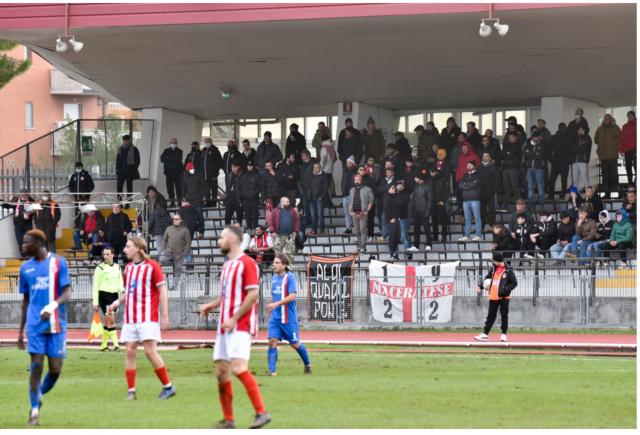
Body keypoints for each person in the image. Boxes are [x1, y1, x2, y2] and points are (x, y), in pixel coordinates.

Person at [198, 226, 271, 429]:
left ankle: (261, 413)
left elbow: (253, 294)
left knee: (238, 368)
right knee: (222, 372)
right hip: (225, 325)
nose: (219, 241)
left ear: (232, 239)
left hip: (240, 324)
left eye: (222, 237)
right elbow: (226, 295)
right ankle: (229, 420)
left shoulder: (247, 263)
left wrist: (234, 318)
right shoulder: (228, 265)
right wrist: (211, 305)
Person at [107, 237, 175, 401]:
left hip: (147, 317)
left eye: (128, 246)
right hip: (131, 318)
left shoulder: (152, 266)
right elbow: (128, 292)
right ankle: (131, 391)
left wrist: (165, 315)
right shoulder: (128, 268)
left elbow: (163, 291)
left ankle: (168, 387)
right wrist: (115, 303)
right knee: (130, 351)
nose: (124, 249)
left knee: (150, 351)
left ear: (137, 248)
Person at [17, 229, 71, 426]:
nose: (23, 246)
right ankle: (34, 412)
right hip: (35, 325)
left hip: (56, 324)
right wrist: (20, 331)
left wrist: (53, 305)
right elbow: (25, 301)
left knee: (55, 369)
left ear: (39, 243)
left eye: (26, 242)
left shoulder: (59, 263)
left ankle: (38, 395)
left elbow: (67, 292)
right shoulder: (25, 268)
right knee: (37, 366)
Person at [266, 254, 311, 376]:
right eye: (274, 262)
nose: (274, 265)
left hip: (288, 318)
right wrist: (271, 307)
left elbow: (292, 296)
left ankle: (307, 364)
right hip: (275, 318)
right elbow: (274, 295)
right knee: (272, 341)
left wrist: (276, 304)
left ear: (284, 265)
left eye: (277, 263)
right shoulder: (274, 277)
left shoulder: (290, 277)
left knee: (295, 344)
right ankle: (272, 371)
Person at [474, 252, 517, 343]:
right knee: (491, 316)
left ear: (498, 261)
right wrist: (480, 286)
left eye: (494, 260)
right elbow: (487, 279)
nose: (493, 262)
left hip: (504, 296)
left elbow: (514, 283)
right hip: (493, 296)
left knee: (504, 315)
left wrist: (506, 289)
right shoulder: (493, 269)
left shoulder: (508, 270)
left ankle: (503, 334)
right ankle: (485, 334)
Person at [92, 246, 123, 351]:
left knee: (107, 321)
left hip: (114, 296)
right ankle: (116, 345)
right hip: (104, 295)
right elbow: (95, 286)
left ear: (112, 255)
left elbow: (120, 282)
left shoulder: (117, 267)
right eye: (104, 254)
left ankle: (104, 345)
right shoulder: (100, 268)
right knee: (111, 320)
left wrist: (122, 292)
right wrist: (95, 301)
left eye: (107, 254)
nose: (105, 256)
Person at [160, 213, 191, 291]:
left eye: (176, 219)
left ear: (180, 220)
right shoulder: (168, 229)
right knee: (162, 260)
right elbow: (164, 240)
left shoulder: (185, 230)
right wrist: (163, 250)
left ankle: (174, 285)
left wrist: (184, 253)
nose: (175, 221)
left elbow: (188, 242)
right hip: (168, 252)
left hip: (179, 254)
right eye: (174, 219)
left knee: (178, 269)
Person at [1, 188, 36, 257]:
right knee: (20, 241)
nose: (23, 195)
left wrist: (31, 212)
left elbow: (36, 211)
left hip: (27, 224)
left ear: (27, 195)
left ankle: (29, 255)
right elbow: (8, 205)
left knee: (28, 240)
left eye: (25, 194)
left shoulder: (31, 201)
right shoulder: (16, 200)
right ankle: (23, 255)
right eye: (22, 194)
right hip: (18, 225)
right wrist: (1, 202)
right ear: (19, 194)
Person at [594, 114, 621, 196]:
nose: (606, 120)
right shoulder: (600, 128)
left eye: (608, 118)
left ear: (611, 119)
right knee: (604, 171)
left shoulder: (615, 128)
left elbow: (620, 138)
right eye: (605, 118)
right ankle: (605, 186)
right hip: (603, 154)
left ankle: (616, 185)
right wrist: (600, 144)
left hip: (612, 153)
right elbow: (595, 139)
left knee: (614, 170)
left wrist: (613, 144)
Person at [267, 197, 300, 264]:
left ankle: (290, 266)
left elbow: (297, 221)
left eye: (288, 202)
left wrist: (295, 231)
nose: (289, 203)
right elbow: (270, 222)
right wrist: (272, 232)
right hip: (278, 235)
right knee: (278, 252)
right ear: (282, 202)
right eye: (287, 202)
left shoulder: (292, 210)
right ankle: (277, 266)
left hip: (290, 235)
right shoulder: (275, 211)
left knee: (290, 252)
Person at [349, 173, 374, 253]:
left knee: (363, 230)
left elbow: (371, 200)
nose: (357, 181)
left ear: (361, 180)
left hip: (363, 213)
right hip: (354, 213)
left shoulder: (367, 189)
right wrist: (350, 211)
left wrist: (367, 210)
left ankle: (363, 247)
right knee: (357, 231)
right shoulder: (351, 190)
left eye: (358, 180)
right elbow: (350, 202)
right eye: (356, 180)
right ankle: (359, 246)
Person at [408, 171, 432, 252]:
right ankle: (416, 245)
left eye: (416, 177)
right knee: (416, 228)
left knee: (426, 228)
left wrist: (428, 212)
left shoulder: (427, 187)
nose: (414, 179)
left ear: (420, 178)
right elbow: (413, 199)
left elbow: (429, 200)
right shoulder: (415, 187)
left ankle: (429, 245)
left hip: (424, 210)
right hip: (416, 210)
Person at [458, 161, 482, 242]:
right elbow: (460, 185)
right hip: (465, 200)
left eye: (470, 165)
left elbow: (474, 184)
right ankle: (467, 236)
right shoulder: (464, 175)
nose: (468, 166)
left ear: (474, 166)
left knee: (477, 218)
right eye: (467, 165)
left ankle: (478, 235)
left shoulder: (478, 175)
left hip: (475, 199)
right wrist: (469, 185)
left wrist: (466, 185)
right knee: (467, 219)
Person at [430, 149, 450, 242]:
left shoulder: (446, 165)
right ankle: (435, 236)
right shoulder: (434, 164)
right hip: (433, 198)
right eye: (438, 154)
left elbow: (446, 187)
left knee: (443, 220)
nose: (439, 155)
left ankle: (444, 236)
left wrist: (443, 199)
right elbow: (431, 173)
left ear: (445, 155)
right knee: (434, 219)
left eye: (441, 154)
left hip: (441, 198)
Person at [68, 161, 95, 229]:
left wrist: (85, 193)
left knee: (85, 212)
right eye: (77, 167)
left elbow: (91, 186)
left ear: (82, 167)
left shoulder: (86, 175)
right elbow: (70, 186)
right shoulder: (73, 176)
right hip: (77, 198)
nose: (78, 168)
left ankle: (86, 226)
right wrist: (74, 193)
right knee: (77, 212)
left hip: (84, 198)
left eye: (79, 167)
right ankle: (77, 226)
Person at [115, 135, 141, 206]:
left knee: (129, 188)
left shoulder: (134, 149)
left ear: (130, 140)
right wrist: (117, 170)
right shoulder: (120, 149)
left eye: (127, 140)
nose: (125, 142)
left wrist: (132, 169)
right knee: (119, 187)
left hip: (130, 172)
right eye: (124, 140)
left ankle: (128, 203)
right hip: (121, 171)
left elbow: (138, 161)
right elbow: (117, 160)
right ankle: (120, 203)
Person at [549, 123, 573, 198]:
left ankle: (555, 195)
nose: (563, 129)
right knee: (556, 180)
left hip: (561, 162)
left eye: (563, 127)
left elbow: (570, 151)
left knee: (560, 180)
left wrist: (568, 161)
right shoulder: (555, 138)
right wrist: (551, 160)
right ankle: (554, 195)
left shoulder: (566, 137)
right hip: (558, 162)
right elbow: (549, 150)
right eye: (562, 127)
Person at [237, 160, 262, 232]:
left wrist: (254, 192)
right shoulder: (243, 176)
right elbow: (239, 187)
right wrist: (240, 197)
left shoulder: (257, 176)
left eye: (251, 166)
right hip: (245, 199)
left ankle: (255, 228)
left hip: (254, 198)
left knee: (255, 214)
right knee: (247, 215)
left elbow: (260, 186)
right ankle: (249, 228)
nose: (249, 167)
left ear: (253, 166)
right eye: (248, 166)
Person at [523, 131, 546, 209]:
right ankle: (530, 206)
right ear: (532, 137)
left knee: (540, 188)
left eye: (538, 137)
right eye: (535, 137)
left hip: (539, 169)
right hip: (529, 169)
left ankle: (542, 206)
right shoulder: (527, 145)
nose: (537, 138)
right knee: (530, 188)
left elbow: (541, 155)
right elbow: (525, 154)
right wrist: (535, 153)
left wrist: (532, 154)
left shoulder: (542, 145)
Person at [160, 138, 184, 208]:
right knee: (170, 189)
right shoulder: (166, 150)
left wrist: (168, 158)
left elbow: (177, 159)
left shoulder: (180, 151)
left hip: (177, 173)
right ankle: (172, 203)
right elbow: (162, 159)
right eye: (172, 142)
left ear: (177, 143)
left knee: (178, 189)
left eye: (174, 142)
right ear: (170, 143)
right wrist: (169, 158)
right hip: (168, 173)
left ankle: (179, 203)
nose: (173, 144)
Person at [147, 190, 172, 258]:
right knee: (165, 247)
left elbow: (150, 223)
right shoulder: (166, 212)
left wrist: (149, 232)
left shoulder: (154, 213)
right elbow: (170, 222)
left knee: (159, 248)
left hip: (157, 233)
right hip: (166, 232)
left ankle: (161, 261)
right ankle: (166, 259)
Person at [501, 131, 523, 207]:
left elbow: (516, 157)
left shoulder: (518, 146)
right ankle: (505, 205)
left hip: (514, 169)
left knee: (515, 187)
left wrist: (508, 156)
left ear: (515, 137)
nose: (510, 138)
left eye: (511, 137)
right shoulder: (506, 145)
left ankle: (520, 205)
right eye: (509, 137)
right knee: (506, 188)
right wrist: (509, 155)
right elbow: (502, 155)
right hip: (505, 168)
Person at [308, 162, 329, 236]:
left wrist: (321, 197)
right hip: (311, 199)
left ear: (320, 168)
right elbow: (309, 187)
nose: (315, 169)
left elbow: (326, 188)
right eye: (314, 167)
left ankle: (322, 231)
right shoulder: (311, 176)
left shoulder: (323, 176)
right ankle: (314, 230)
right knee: (313, 215)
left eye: (316, 167)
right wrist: (309, 196)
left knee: (320, 215)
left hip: (319, 199)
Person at [479, 152, 498, 229]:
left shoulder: (493, 167)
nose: (484, 157)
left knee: (492, 210)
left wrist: (494, 190)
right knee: (482, 210)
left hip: (490, 193)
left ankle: (492, 225)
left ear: (490, 158)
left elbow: (496, 180)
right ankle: (482, 226)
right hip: (481, 192)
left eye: (486, 156)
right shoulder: (479, 167)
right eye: (483, 156)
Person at [384, 184, 403, 260]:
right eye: (392, 188)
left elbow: (400, 205)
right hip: (391, 220)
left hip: (397, 219)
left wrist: (398, 217)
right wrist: (390, 218)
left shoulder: (396, 196)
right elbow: (386, 209)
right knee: (392, 237)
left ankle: (395, 252)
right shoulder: (387, 197)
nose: (394, 189)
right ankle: (392, 253)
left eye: (394, 188)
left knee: (398, 236)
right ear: (388, 189)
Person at [202, 137, 223, 206]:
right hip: (205, 175)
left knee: (214, 190)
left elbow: (219, 162)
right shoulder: (204, 150)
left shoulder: (215, 150)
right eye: (206, 142)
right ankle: (207, 203)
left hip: (213, 175)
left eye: (208, 142)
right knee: (206, 190)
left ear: (211, 142)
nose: (207, 143)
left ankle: (214, 203)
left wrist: (214, 172)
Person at [571, 126, 592, 192]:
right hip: (574, 161)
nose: (579, 131)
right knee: (575, 180)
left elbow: (585, 148)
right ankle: (576, 196)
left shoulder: (587, 138)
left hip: (583, 160)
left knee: (585, 179)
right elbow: (572, 148)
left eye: (581, 129)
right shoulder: (575, 138)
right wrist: (576, 150)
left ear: (584, 130)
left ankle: (589, 195)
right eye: (578, 129)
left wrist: (584, 135)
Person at [341, 156, 357, 234]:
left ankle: (356, 228)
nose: (348, 164)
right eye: (347, 163)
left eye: (349, 163)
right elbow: (343, 182)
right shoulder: (345, 171)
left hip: (353, 195)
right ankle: (348, 228)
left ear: (353, 164)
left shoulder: (356, 172)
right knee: (346, 212)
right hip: (345, 194)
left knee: (354, 212)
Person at [620, 111, 636, 185]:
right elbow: (622, 138)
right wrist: (621, 150)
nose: (629, 117)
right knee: (628, 167)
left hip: (635, 150)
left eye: (631, 116)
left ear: (634, 116)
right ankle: (630, 183)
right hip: (627, 150)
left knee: (636, 167)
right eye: (628, 116)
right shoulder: (625, 126)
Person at [319, 134, 337, 202]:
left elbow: (323, 160)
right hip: (330, 169)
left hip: (325, 170)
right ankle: (329, 200)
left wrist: (320, 168)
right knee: (327, 186)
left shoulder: (324, 148)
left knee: (324, 188)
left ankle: (326, 201)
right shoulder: (331, 147)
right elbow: (334, 158)